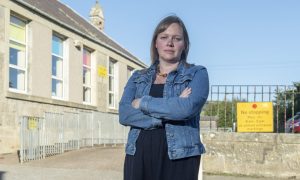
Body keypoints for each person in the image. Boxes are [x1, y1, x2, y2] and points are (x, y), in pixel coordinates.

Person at [119, 15, 209, 180]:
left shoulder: (197, 74)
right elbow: (124, 114)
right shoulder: (138, 77)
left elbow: (185, 109)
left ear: (185, 45)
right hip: (139, 156)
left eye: (177, 38)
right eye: (164, 37)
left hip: (180, 158)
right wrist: (168, 111)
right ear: (156, 43)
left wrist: (142, 102)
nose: (170, 43)